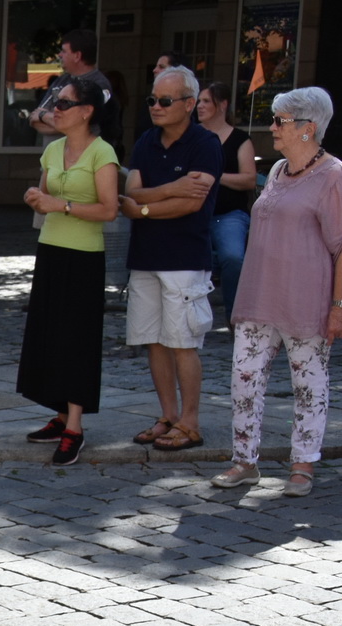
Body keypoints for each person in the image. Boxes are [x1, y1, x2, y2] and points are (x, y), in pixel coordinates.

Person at [210, 88, 342, 499]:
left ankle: (303, 464)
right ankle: (244, 461)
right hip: (258, 296)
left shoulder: (335, 175)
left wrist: (341, 305)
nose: (272, 127)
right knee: (243, 380)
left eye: (280, 120)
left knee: (309, 384)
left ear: (308, 128)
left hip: (307, 300)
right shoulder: (281, 168)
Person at [15, 77, 118, 466]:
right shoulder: (53, 149)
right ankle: (59, 414)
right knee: (49, 333)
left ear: (87, 111)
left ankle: (75, 425)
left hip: (84, 256)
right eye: (56, 102)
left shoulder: (102, 153)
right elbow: (46, 201)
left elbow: (109, 209)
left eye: (65, 103)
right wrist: (37, 200)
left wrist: (62, 206)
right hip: (51, 250)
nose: (55, 108)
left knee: (76, 338)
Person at [119, 66, 220, 454]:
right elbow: (130, 196)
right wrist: (170, 190)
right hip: (145, 256)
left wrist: (149, 201)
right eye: (152, 100)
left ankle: (190, 422)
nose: (156, 107)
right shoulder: (146, 140)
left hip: (184, 258)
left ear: (189, 104)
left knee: (182, 342)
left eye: (164, 101)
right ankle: (168, 415)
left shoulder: (205, 143)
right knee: (153, 341)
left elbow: (191, 203)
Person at [197, 81, 255, 318]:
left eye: (206, 101)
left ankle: (235, 317)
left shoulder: (241, 139)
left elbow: (250, 179)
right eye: (198, 101)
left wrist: (216, 177)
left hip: (228, 216)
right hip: (193, 212)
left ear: (222, 105)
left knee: (233, 258)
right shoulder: (192, 137)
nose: (199, 106)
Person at [30, 29, 120, 150]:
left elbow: (83, 124)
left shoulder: (100, 85)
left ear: (77, 56)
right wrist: (64, 123)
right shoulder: (60, 81)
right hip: (52, 163)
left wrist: (43, 115)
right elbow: (33, 120)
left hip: (82, 161)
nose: (60, 55)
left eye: (64, 51)